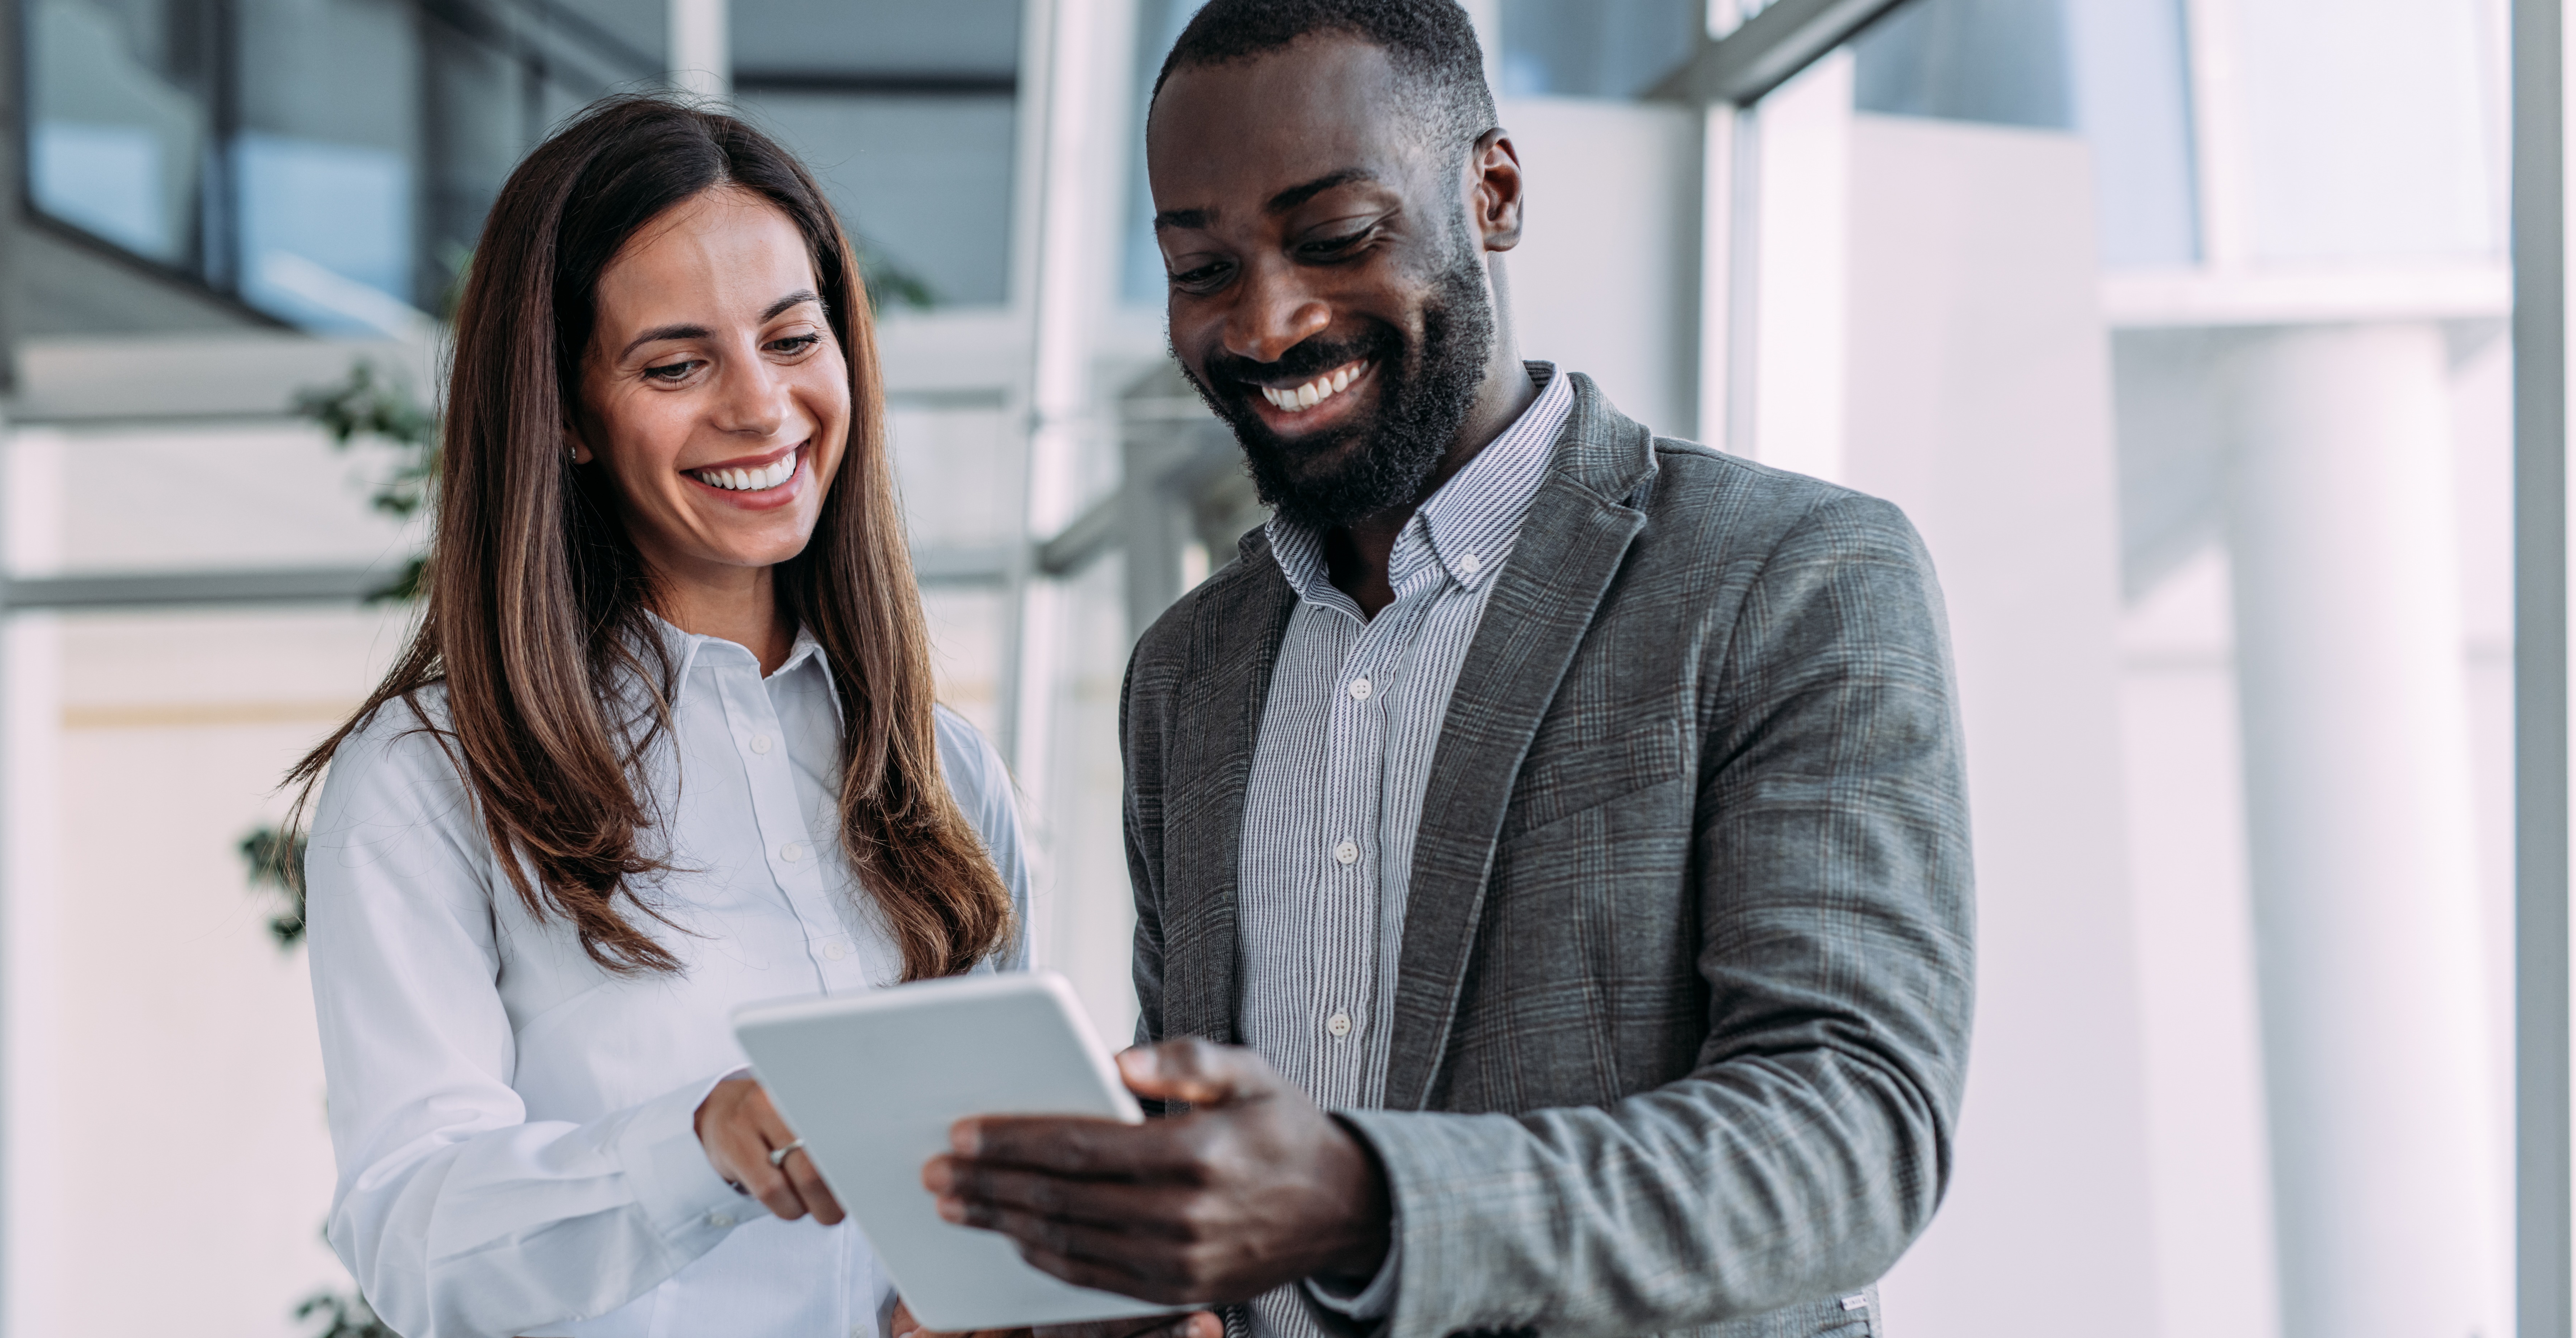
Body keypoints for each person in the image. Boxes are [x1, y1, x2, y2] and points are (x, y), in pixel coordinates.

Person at [915, 3, 1974, 1336]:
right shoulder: (1184, 673)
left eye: (1338, 239)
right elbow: (1219, 1186)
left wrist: (1369, 1198)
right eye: (1201, 266)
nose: (1267, 321)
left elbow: (1851, 1138)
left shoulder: (1791, 576)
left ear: (1494, 191)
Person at [294, 95, 1032, 1338]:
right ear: (570, 416)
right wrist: (703, 1143)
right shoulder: (428, 780)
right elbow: (416, 1238)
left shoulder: (944, 771)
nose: (760, 408)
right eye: (676, 365)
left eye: (794, 339)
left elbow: (987, 1219)